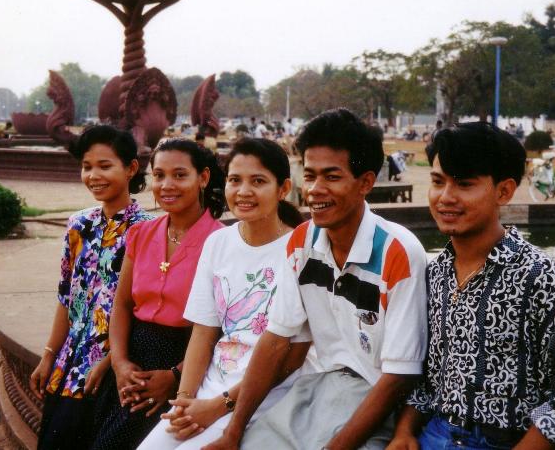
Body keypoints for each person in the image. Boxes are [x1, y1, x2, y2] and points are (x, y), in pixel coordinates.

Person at [205, 108, 429, 450]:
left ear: (365, 183)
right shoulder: (302, 243)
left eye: (332, 177)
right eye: (309, 176)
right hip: (313, 388)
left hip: (375, 402)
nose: (315, 190)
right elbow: (276, 340)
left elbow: (398, 376)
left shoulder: (398, 253)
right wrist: (233, 432)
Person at [389, 122, 555, 450]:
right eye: (437, 181)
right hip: (433, 436)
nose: (445, 197)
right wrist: (404, 432)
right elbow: (426, 379)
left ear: (503, 191)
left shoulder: (538, 276)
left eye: (464, 184)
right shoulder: (435, 275)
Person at [137, 138, 311, 449]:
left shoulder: (300, 250)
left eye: (258, 181)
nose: (243, 191)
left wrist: (219, 406)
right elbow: (204, 331)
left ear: (283, 188)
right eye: (235, 180)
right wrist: (184, 401)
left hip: (264, 398)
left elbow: (292, 357)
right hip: (210, 387)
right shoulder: (219, 243)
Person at [92, 139, 226, 449]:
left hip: (186, 364)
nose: (166, 185)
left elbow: (222, 327)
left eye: (180, 175)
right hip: (134, 362)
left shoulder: (221, 241)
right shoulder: (141, 233)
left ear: (202, 178)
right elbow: (123, 304)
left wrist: (175, 377)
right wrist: (120, 363)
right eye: (159, 175)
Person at [29, 125, 153, 449]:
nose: (93, 175)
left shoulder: (147, 232)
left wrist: (111, 361)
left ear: (131, 169)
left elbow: (143, 311)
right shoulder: (78, 224)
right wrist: (48, 356)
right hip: (68, 364)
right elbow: (66, 297)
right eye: (87, 166)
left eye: (105, 165)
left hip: (108, 372)